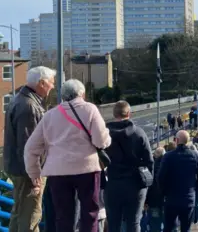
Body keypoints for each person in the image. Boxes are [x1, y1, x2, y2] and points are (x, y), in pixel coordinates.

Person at [24, 79, 111, 232]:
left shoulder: (50, 115)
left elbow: (31, 147)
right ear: (82, 94)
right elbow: (101, 141)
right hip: (87, 170)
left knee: (63, 216)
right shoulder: (90, 109)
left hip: (58, 172)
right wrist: (107, 137)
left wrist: (34, 173)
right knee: (90, 213)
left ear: (62, 96)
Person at [4, 66, 56, 232]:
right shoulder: (29, 107)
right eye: (51, 82)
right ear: (41, 83)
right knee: (31, 214)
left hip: (18, 168)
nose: (53, 86)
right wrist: (35, 176)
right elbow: (29, 145)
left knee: (19, 213)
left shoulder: (19, 100)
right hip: (28, 172)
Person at [104, 100, 154, 232]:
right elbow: (149, 161)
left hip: (113, 183)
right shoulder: (139, 133)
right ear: (129, 114)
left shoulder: (105, 135)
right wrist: (146, 183)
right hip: (135, 184)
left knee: (113, 224)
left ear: (114, 114)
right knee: (134, 222)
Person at [157, 130, 198, 232]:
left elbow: (160, 177)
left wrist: (164, 192)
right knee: (185, 228)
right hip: (188, 198)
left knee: (168, 228)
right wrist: (194, 189)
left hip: (171, 198)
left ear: (177, 140)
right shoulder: (196, 156)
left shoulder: (168, 156)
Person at [146, 147, 166, 232]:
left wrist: (146, 200)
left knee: (155, 223)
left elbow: (148, 185)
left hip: (153, 201)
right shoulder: (168, 166)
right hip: (167, 199)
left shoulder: (150, 167)